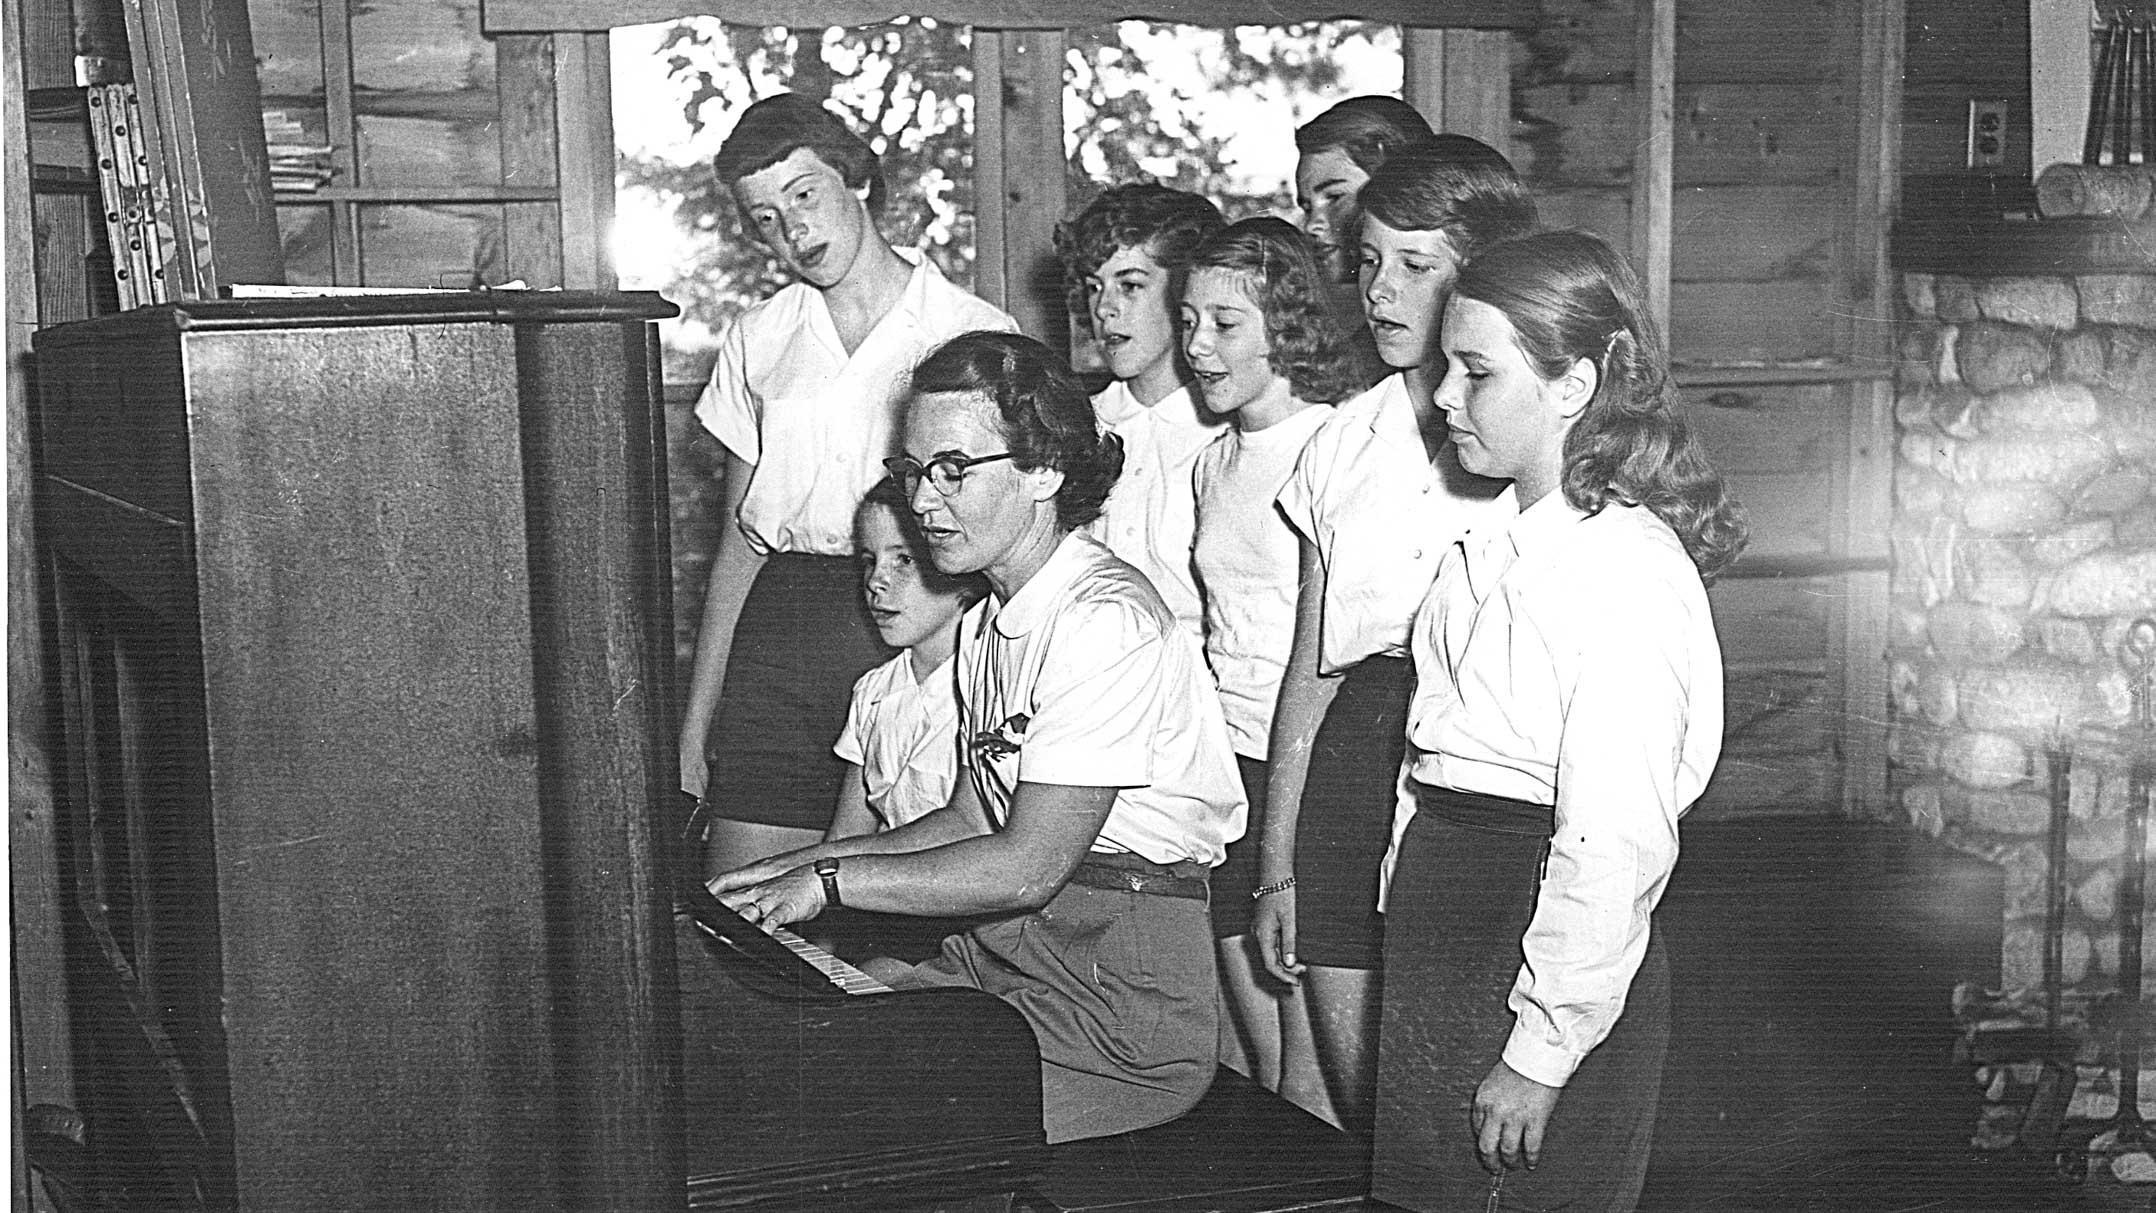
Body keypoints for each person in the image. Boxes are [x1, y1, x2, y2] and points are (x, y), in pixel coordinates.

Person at [711, 330, 1247, 1145]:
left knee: (847, 1119)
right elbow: (969, 820)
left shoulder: (1103, 618)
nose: (924, 500)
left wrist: (825, 883)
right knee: (788, 1055)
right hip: (1004, 952)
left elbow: (1028, 864)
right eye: (915, 470)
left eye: (953, 470)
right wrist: (776, 872)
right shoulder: (991, 620)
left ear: (1044, 470)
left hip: (1119, 998)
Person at [1374, 230, 1747, 1211]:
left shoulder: (1622, 570)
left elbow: (1613, 840)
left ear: (1572, 383)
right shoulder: (1489, 543)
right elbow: (1434, 763)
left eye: (1474, 371)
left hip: (1536, 931)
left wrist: (1542, 1049)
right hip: (1446, 928)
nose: (1443, 397)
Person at [1254, 138, 1534, 1135]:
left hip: (1484, 783)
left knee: (1459, 1117)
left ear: (1480, 271)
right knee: (1369, 1112)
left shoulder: (1532, 443)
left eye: (1414, 264)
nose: (1380, 288)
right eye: (1368, 260)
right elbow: (1308, 672)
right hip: (1353, 757)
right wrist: (1278, 860)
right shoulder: (1339, 441)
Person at [679, 93, 1015, 879]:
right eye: (765, 217)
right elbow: (739, 539)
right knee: (747, 899)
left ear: (857, 179)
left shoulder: (972, 331)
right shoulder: (760, 337)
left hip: (927, 616)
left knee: (885, 896)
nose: (793, 231)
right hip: (784, 626)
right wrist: (696, 724)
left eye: (804, 194)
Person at [1181, 217, 1361, 1121]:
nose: (1198, 346)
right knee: (1255, 1056)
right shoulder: (1214, 461)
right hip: (1230, 770)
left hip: (1312, 770)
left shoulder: (1334, 447)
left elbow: (1326, 655)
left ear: (1286, 326)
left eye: (1225, 323)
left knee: (1309, 1069)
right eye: (1189, 321)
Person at [1052, 183, 1228, 644]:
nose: (1103, 309)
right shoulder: (1073, 425)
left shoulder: (1228, 429)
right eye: (1094, 287)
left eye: (1130, 285)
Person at [824, 478, 986, 842]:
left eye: (904, 559)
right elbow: (844, 839)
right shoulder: (873, 691)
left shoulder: (989, 688)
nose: (876, 581)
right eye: (869, 561)